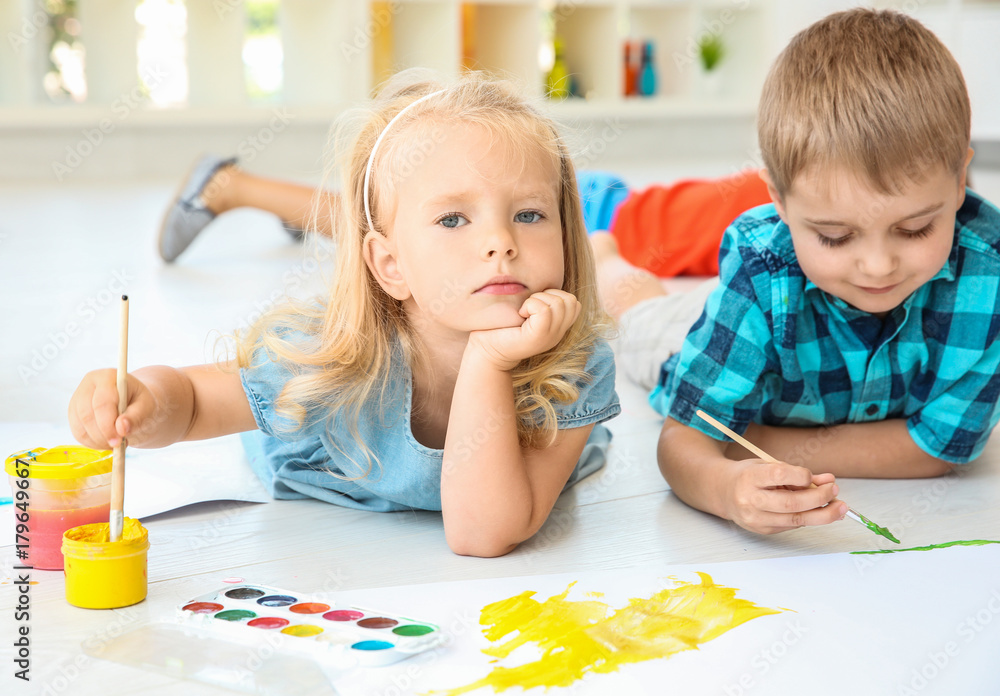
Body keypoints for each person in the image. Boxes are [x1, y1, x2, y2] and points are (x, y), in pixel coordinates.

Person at [72, 70, 621, 558]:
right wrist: (145, 402)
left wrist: (489, 361)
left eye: (529, 214)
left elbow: (482, 533)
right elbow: (193, 403)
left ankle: (606, 254)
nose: (501, 241)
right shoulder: (323, 358)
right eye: (454, 220)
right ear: (390, 265)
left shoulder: (574, 367)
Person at [595, 8, 1000, 536]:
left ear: (962, 178)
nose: (878, 265)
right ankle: (603, 255)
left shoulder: (988, 270)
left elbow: (940, 448)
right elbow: (684, 440)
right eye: (835, 236)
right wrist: (726, 487)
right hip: (713, 327)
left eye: (916, 228)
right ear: (780, 202)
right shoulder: (760, 267)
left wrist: (756, 441)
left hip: (762, 366)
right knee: (641, 315)